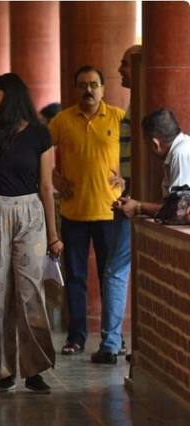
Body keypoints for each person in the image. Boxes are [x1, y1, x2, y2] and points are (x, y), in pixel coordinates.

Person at [0, 73, 62, 394]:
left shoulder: (40, 134)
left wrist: (53, 234)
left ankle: (35, 368)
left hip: (30, 213)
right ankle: (5, 370)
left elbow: (46, 187)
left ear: (10, 97)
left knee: (30, 292)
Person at [49, 66, 125, 355]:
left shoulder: (118, 118)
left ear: (103, 89)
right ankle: (76, 337)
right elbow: (41, 153)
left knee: (111, 279)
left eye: (94, 84)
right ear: (76, 89)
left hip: (110, 213)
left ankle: (114, 338)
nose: (89, 90)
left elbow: (139, 155)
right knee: (75, 279)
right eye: (83, 85)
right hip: (74, 214)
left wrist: (127, 179)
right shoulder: (62, 121)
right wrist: (54, 178)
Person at [91, 45, 142, 364]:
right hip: (129, 197)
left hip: (136, 203)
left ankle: (111, 343)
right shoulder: (135, 103)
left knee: (114, 271)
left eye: (125, 64)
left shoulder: (142, 103)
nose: (119, 69)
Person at [115, 109, 190, 219]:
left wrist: (139, 207)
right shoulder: (182, 148)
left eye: (146, 143)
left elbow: (178, 210)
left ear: (155, 144)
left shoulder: (180, 154)